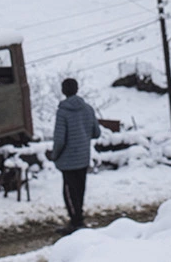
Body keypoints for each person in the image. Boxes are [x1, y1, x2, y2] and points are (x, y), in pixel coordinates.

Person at [51, 77, 100, 233]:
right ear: (77, 89)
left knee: (69, 192)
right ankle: (78, 219)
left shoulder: (63, 112)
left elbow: (60, 139)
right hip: (83, 157)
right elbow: (96, 133)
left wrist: (54, 155)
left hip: (68, 160)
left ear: (63, 91)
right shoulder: (88, 109)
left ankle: (76, 223)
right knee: (80, 189)